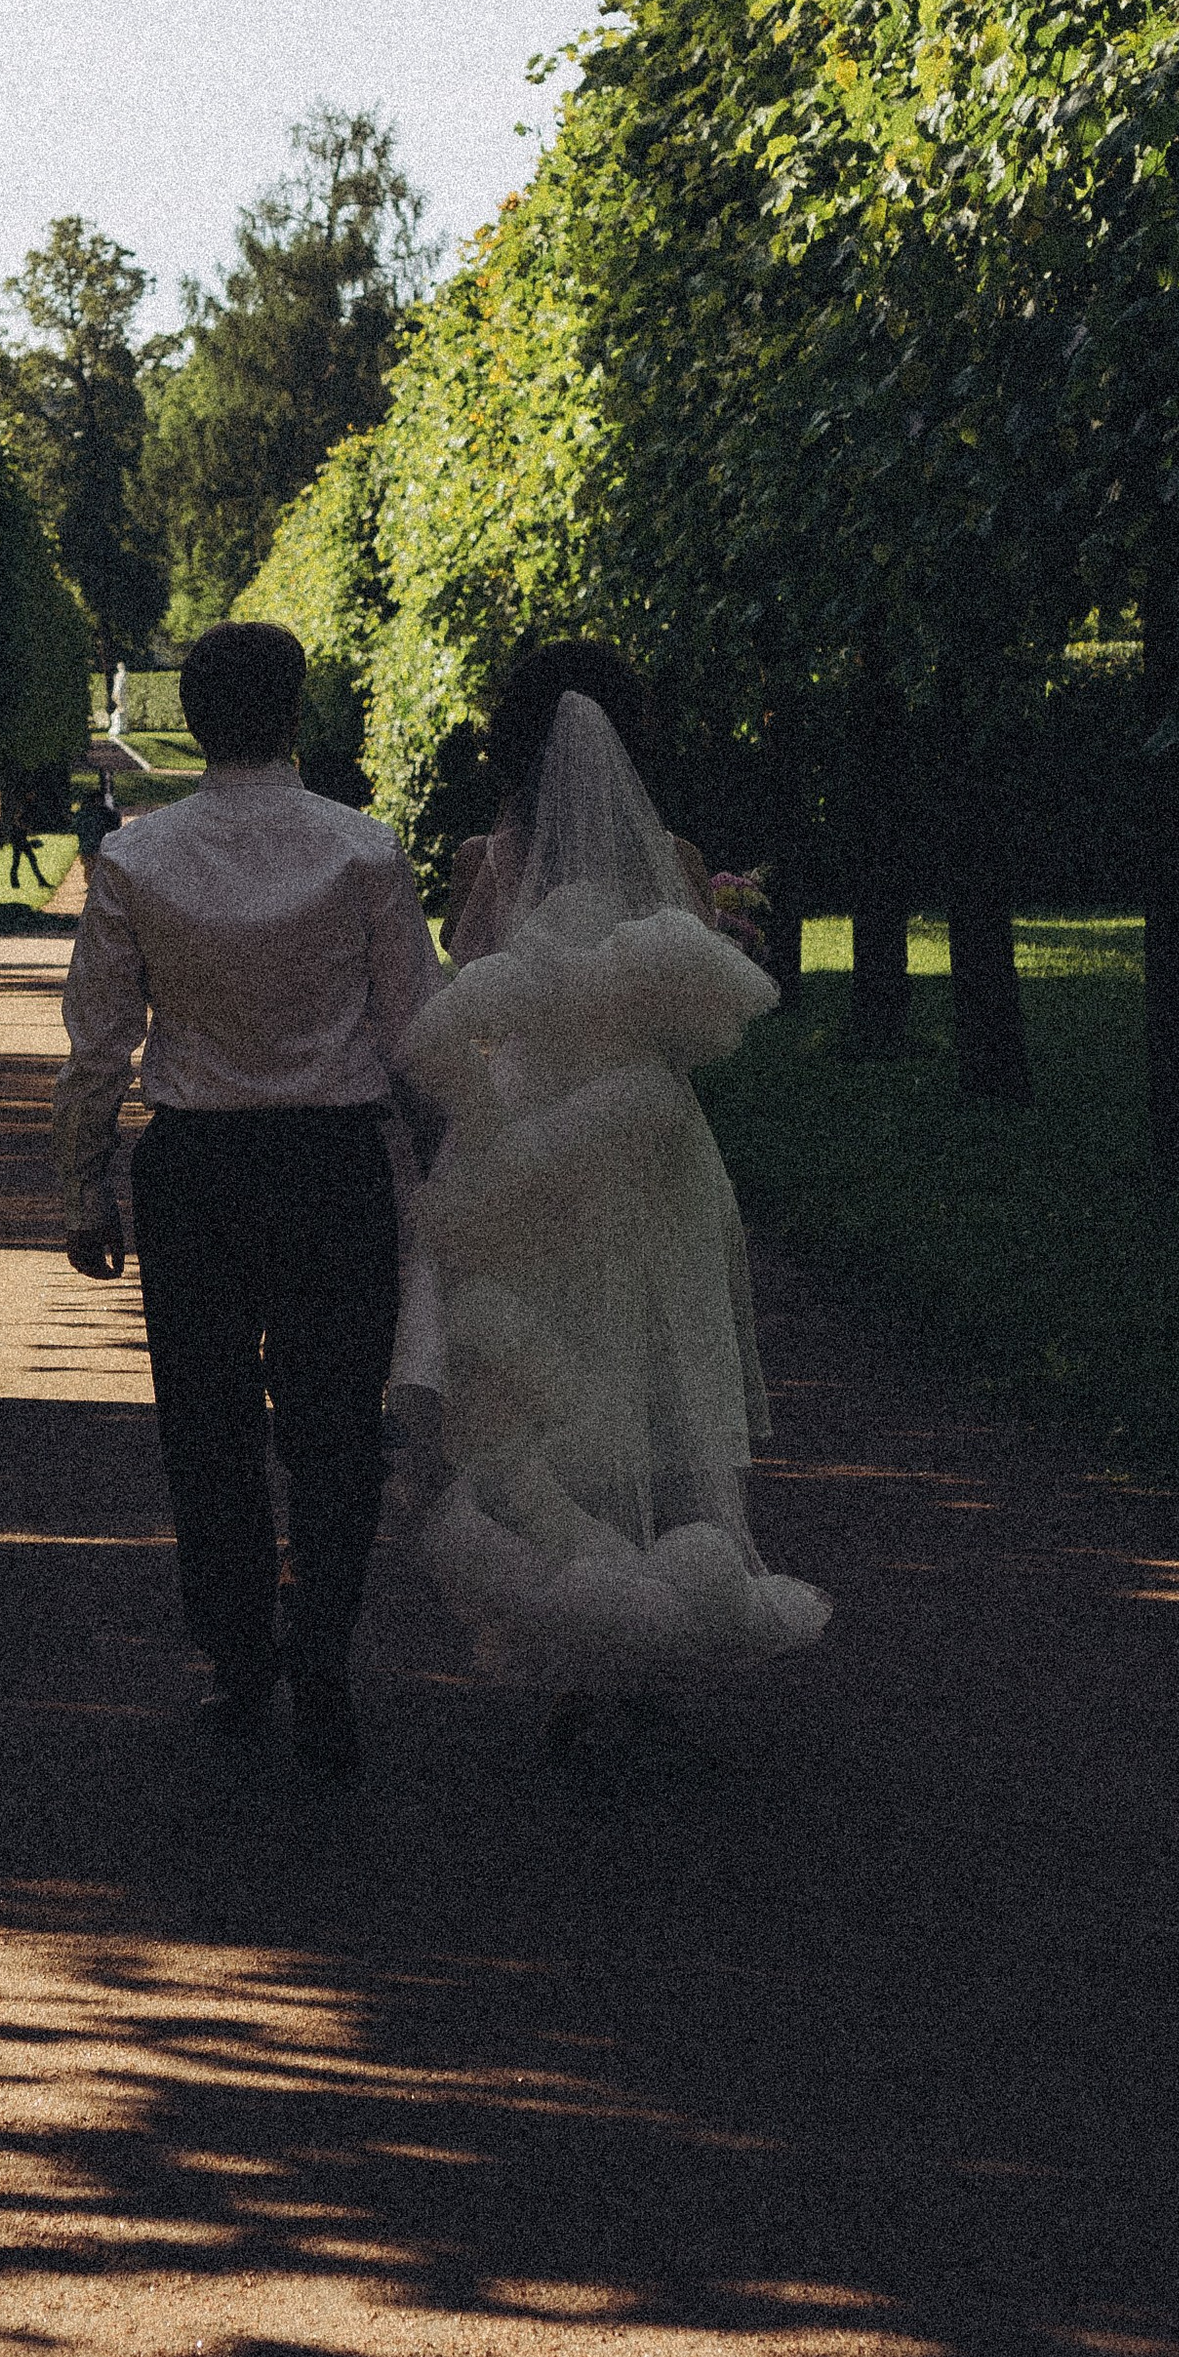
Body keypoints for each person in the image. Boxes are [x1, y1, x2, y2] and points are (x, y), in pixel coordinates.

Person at [396, 645, 828, 1757]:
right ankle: (665, 1620)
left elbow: (467, 977)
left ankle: (575, 1629)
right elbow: (702, 1007)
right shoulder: (671, 854)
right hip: (646, 1141)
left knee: (547, 1377)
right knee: (654, 1364)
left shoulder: (493, 855)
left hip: (526, 1141)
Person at [54, 617, 441, 1780]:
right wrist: (445, 1166)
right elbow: (414, 1033)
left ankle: (235, 1657)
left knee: (206, 1428)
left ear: (190, 719)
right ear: (296, 713)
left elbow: (97, 1045)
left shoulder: (135, 859)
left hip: (196, 1170)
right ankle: (319, 1645)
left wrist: (81, 1183)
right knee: (333, 1430)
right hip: (333, 1166)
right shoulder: (364, 851)